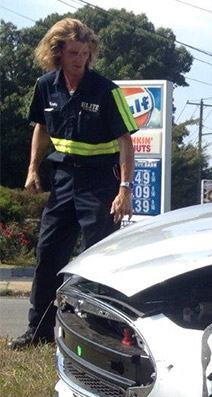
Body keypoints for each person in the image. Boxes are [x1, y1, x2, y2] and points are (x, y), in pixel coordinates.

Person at [7, 18, 137, 349]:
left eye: (84, 52)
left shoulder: (107, 90)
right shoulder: (45, 86)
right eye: (73, 53)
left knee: (96, 259)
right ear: (58, 53)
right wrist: (32, 169)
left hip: (101, 181)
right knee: (48, 253)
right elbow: (40, 128)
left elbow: (126, 141)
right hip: (63, 177)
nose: (79, 59)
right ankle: (37, 332)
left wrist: (125, 189)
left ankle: (99, 334)